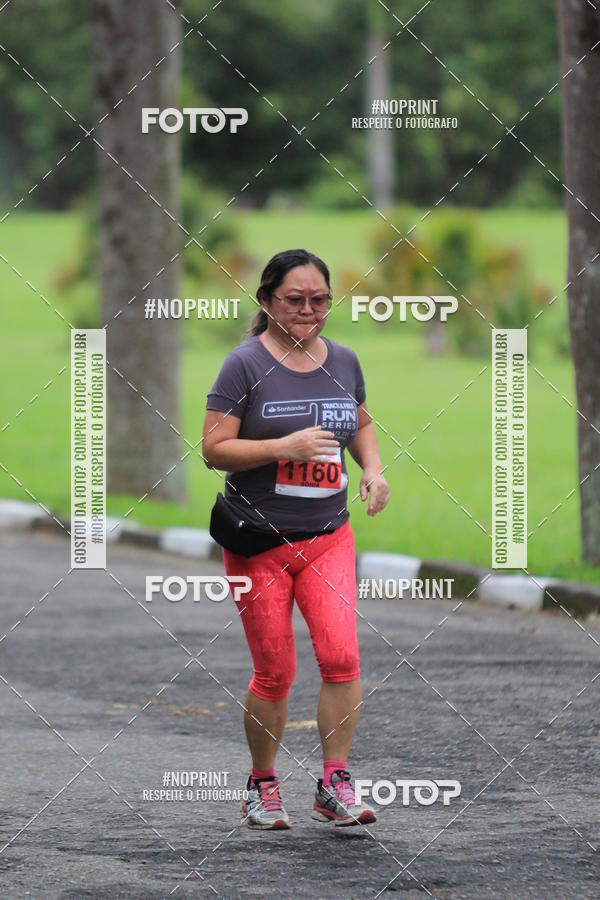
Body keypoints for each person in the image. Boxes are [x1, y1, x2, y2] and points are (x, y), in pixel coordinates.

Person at [203, 249, 390, 829]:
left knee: (341, 658)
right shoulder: (243, 365)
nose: (308, 310)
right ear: (266, 302)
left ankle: (334, 782)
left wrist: (373, 469)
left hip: (328, 536)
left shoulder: (345, 360)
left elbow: (359, 421)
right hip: (258, 542)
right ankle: (262, 784)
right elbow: (213, 449)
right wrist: (282, 448)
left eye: (319, 300)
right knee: (275, 670)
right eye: (294, 300)